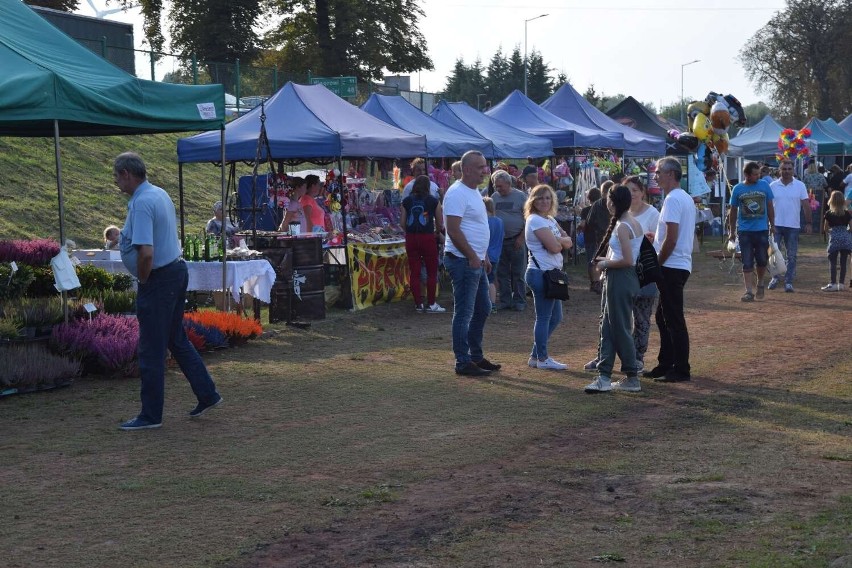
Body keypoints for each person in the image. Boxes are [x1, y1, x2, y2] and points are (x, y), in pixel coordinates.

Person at [114, 152, 222, 430]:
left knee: (151, 348)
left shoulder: (141, 203)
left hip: (159, 278)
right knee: (177, 339)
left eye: (117, 176)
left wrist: (144, 280)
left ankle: (151, 415)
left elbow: (146, 253)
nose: (116, 182)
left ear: (127, 173)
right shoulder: (158, 193)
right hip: (175, 271)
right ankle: (207, 393)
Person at [443, 150, 499, 376]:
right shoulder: (457, 193)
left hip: (474, 261)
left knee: (483, 307)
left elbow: (475, 226)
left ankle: (474, 356)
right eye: (480, 167)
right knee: (465, 312)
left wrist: (482, 255)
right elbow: (453, 230)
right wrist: (473, 256)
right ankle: (463, 361)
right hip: (463, 261)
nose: (485, 171)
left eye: (485, 166)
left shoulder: (473, 191)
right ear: (466, 170)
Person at [584, 185, 644, 393]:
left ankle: (631, 375)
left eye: (608, 200)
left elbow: (627, 260)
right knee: (609, 328)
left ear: (612, 201)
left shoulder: (623, 226)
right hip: (621, 278)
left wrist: (605, 264)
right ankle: (605, 376)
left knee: (619, 328)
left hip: (621, 278)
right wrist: (607, 260)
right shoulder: (630, 222)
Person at [644, 157, 696, 383]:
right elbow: (672, 235)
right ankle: (666, 364)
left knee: (673, 319)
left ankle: (680, 368)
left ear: (671, 174)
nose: (655, 176)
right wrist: (657, 239)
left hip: (672, 265)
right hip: (677, 264)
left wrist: (657, 263)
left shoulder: (673, 199)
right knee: (664, 317)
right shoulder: (682, 198)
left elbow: (672, 239)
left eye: (659, 172)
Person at [523, 184, 573, 371]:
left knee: (556, 317)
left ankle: (536, 356)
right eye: (540, 198)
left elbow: (568, 241)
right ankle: (542, 357)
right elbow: (555, 247)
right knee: (544, 317)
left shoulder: (549, 219)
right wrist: (560, 241)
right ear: (533, 201)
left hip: (552, 274)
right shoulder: (535, 220)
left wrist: (559, 241)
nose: (544, 201)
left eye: (547, 197)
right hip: (541, 274)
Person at [728, 161, 775, 302]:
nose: (758, 176)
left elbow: (770, 206)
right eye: (755, 174)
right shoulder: (738, 189)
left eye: (759, 173)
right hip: (744, 231)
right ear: (747, 175)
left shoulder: (764, 186)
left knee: (762, 260)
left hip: (761, 230)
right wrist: (731, 231)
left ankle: (760, 283)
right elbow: (733, 211)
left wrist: (773, 224)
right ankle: (748, 291)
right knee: (747, 261)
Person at [402, 175, 445, 313]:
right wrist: (437, 233)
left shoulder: (406, 201)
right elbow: (439, 222)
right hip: (427, 237)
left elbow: (402, 223)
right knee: (432, 271)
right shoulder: (434, 201)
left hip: (411, 237)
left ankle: (418, 304)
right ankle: (431, 303)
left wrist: (409, 232)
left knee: (414, 272)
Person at [767, 159, 811, 293]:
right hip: (776, 225)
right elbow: (768, 206)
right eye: (784, 169)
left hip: (793, 226)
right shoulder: (772, 186)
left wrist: (809, 222)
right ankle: (775, 277)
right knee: (773, 253)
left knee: (791, 255)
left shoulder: (800, 185)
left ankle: (789, 281)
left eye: (789, 169)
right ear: (779, 170)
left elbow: (806, 205)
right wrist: (768, 223)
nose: (786, 171)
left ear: (793, 170)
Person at [490, 169, 528, 312]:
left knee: (518, 272)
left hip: (516, 239)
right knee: (502, 272)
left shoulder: (520, 197)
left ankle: (520, 300)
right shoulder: (494, 197)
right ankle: (505, 300)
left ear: (508, 183)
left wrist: (521, 237)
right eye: (495, 186)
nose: (497, 188)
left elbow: (528, 219)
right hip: (500, 241)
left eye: (500, 186)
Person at [584, 181, 614, 294]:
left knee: (599, 260)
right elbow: (590, 221)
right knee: (597, 261)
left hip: (606, 237)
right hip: (602, 237)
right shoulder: (598, 204)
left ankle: (598, 283)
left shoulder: (598, 204)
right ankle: (597, 283)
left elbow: (590, 221)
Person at [821, 190, 852, 291]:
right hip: (845, 239)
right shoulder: (847, 213)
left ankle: (832, 283)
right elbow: (851, 227)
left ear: (831, 200)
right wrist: (846, 232)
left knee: (832, 261)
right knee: (843, 262)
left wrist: (831, 231)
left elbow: (825, 229)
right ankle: (841, 284)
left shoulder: (828, 213)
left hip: (834, 239)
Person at [483, 196, 504, 310]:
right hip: (496, 255)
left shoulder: (484, 221)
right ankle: (493, 304)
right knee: (491, 280)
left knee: (482, 281)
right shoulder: (499, 221)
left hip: (485, 255)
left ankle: (484, 304)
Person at [803, 161, 828, 232]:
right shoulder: (820, 176)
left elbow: (804, 186)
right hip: (820, 196)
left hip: (809, 196)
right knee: (820, 212)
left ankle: (809, 226)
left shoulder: (806, 176)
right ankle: (820, 228)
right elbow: (825, 184)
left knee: (809, 211)